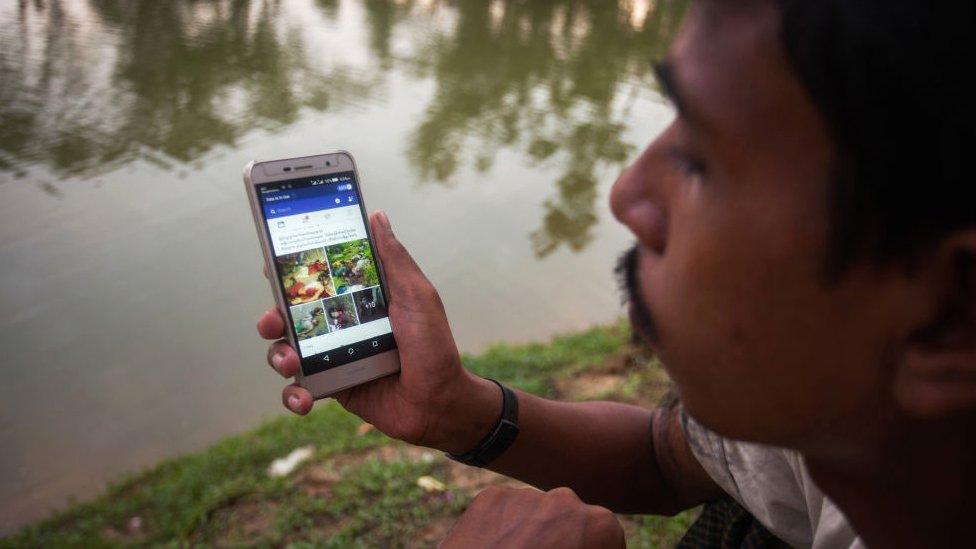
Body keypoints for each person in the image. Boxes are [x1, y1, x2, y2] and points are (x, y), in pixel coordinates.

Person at [257, 1, 975, 546]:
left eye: (701, 160)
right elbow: (667, 458)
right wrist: (457, 410)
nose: (626, 194)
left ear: (948, 314)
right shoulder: (848, 419)